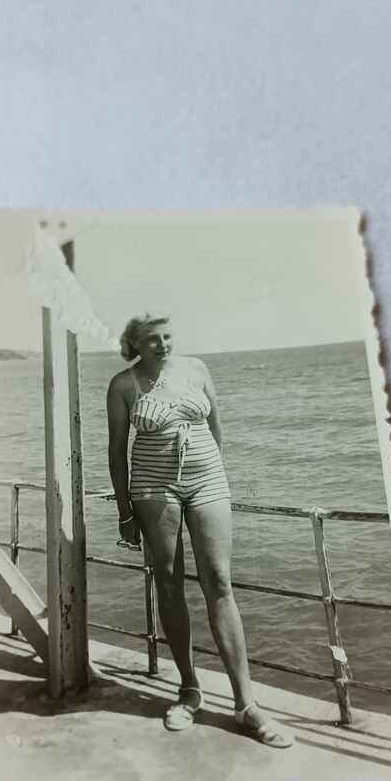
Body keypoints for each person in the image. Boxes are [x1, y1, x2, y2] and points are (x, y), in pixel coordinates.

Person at [106, 313, 292, 748]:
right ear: (135, 342)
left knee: (219, 581)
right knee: (169, 585)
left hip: (208, 481)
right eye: (152, 339)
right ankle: (189, 691)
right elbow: (117, 451)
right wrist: (125, 512)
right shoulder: (122, 385)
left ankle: (246, 704)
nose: (163, 345)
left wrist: (214, 476)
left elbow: (216, 426)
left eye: (168, 336)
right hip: (153, 487)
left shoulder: (196, 368)